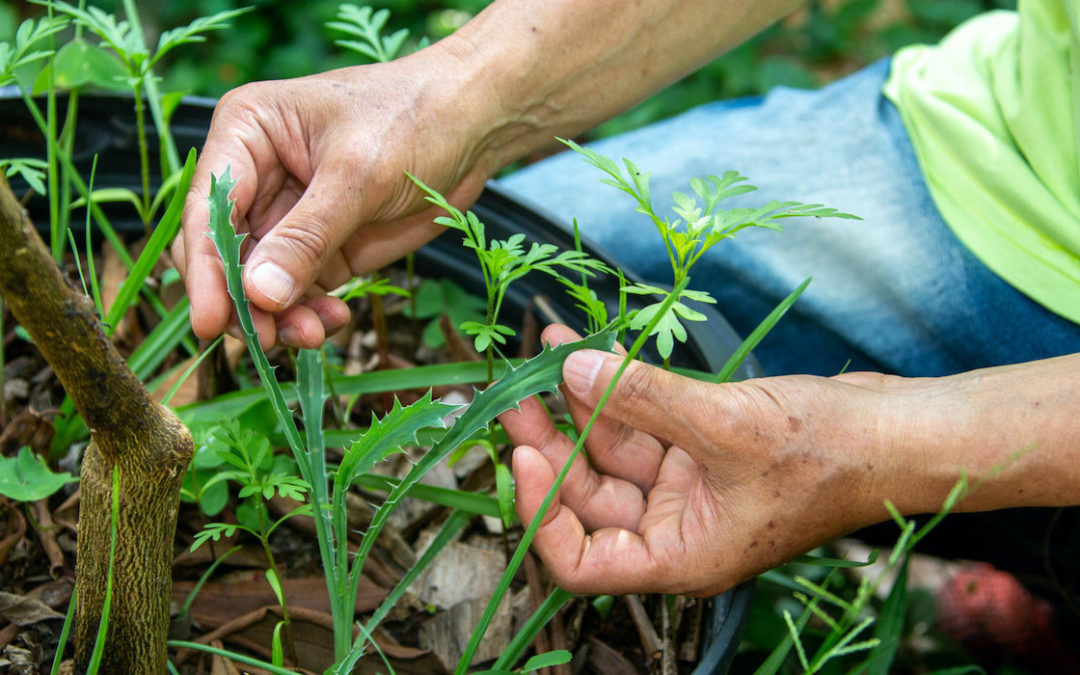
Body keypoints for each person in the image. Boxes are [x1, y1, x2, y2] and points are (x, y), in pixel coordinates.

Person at [175, 0, 1080, 598]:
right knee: (514, 261)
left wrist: (881, 446)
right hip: (998, 148)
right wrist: (452, 99)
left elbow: (871, 446)